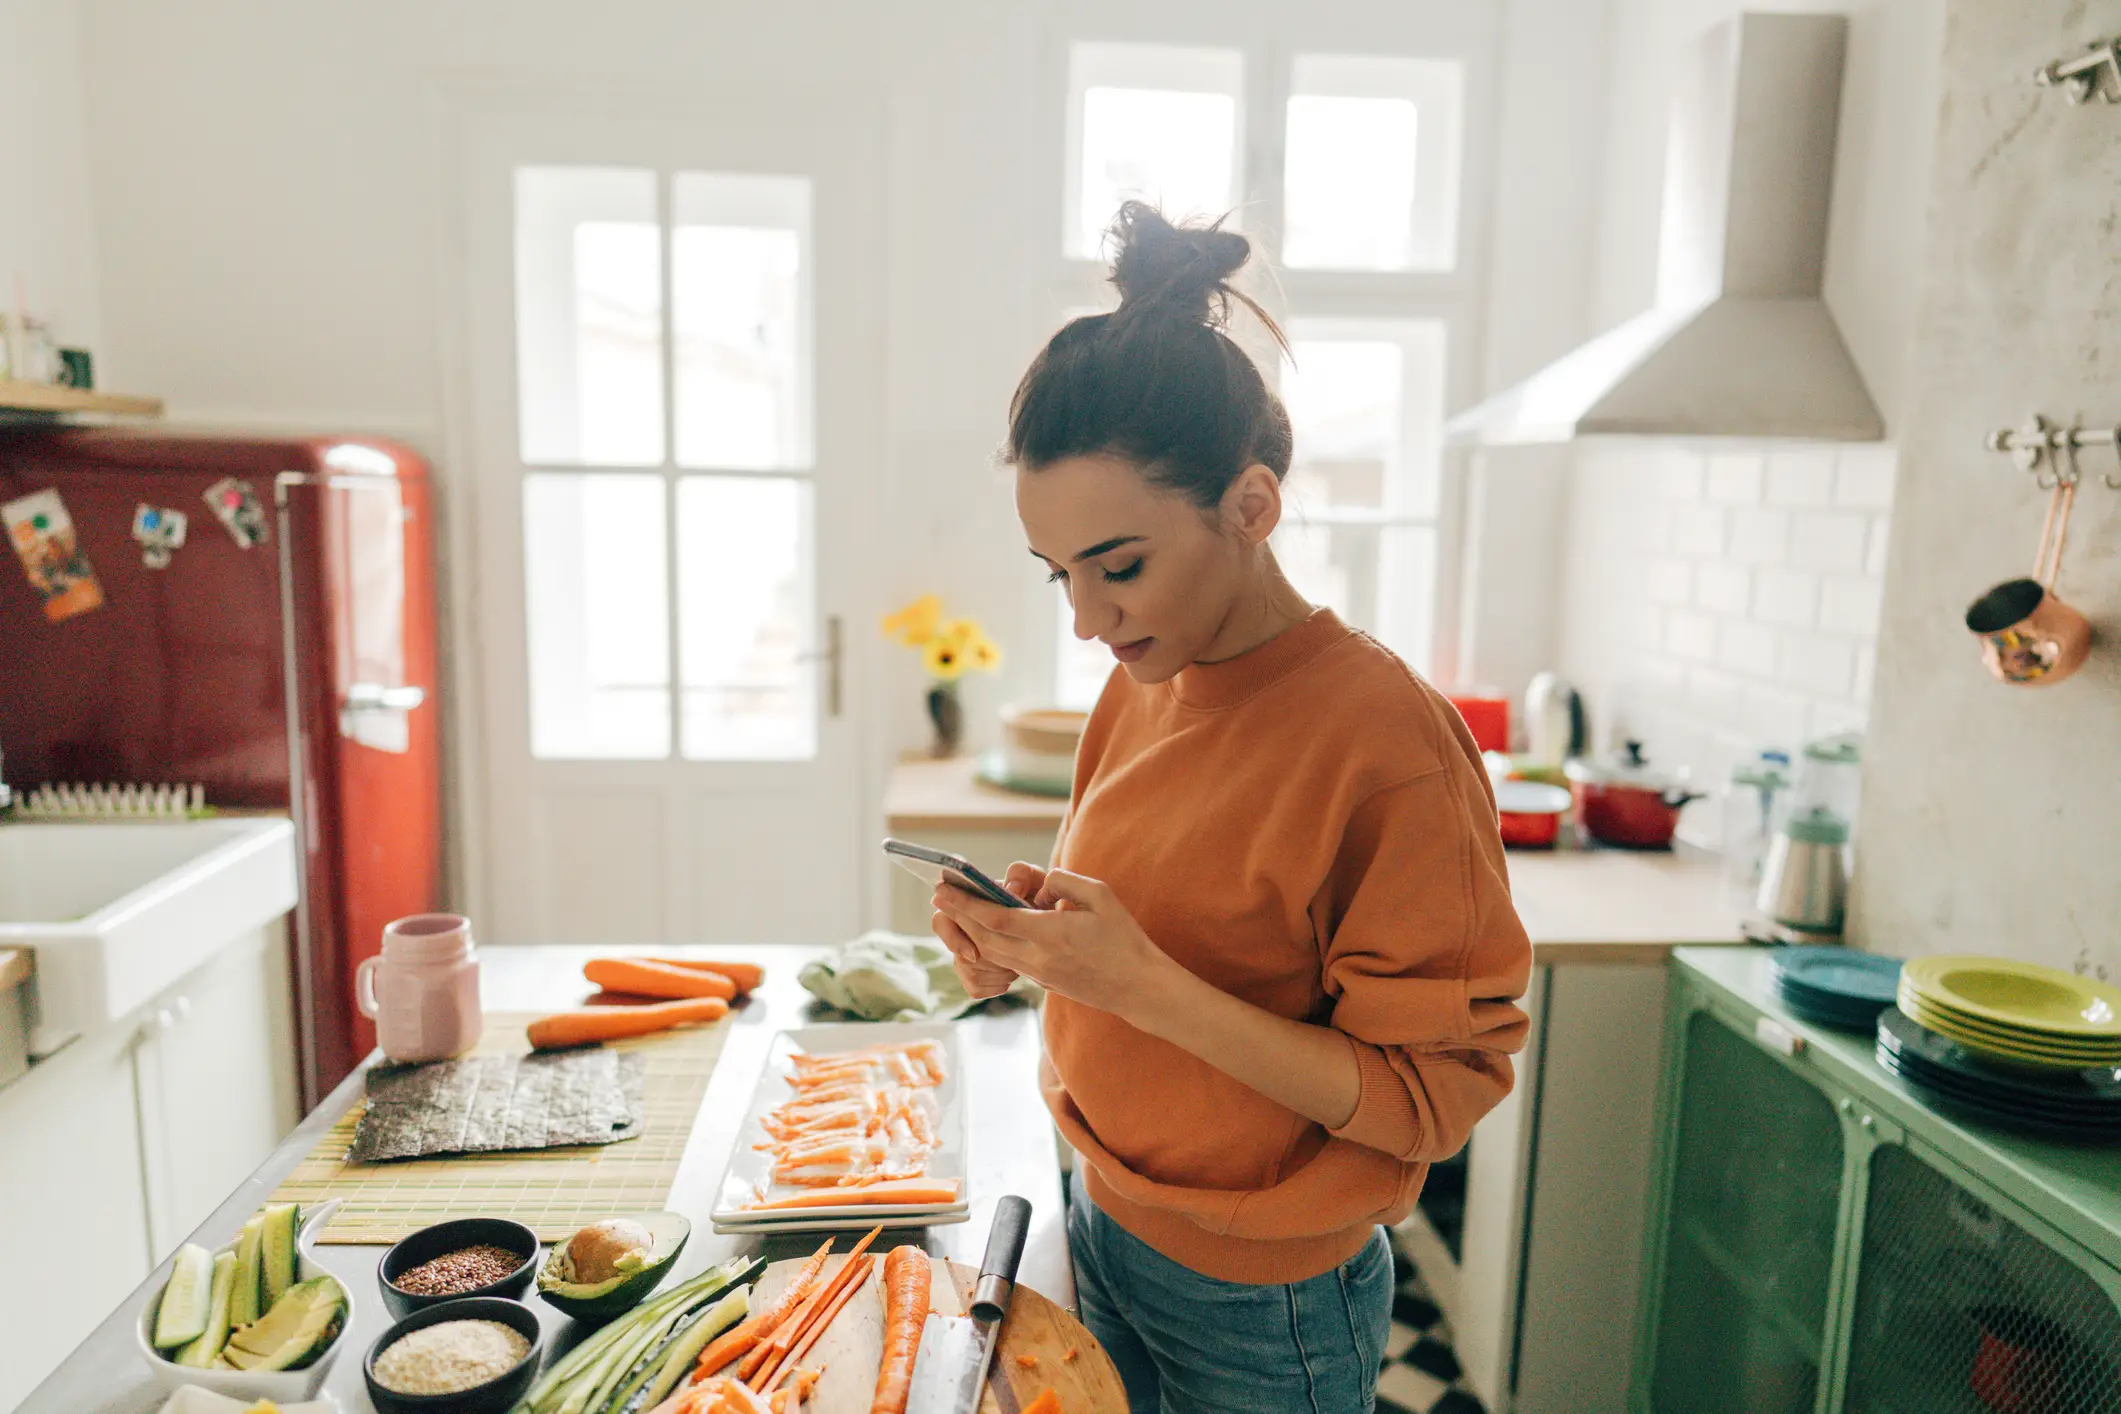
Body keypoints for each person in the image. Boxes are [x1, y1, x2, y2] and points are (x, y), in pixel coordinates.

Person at [929, 202, 1534, 1414]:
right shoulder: (1149, 674)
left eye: (1121, 564)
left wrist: (1135, 983)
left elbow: (1429, 1097)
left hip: (1265, 1302)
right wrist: (1028, 944)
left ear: (1251, 506)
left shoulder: (1386, 742)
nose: (1089, 621)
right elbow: (1165, 932)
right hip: (1100, 1212)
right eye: (1062, 576)